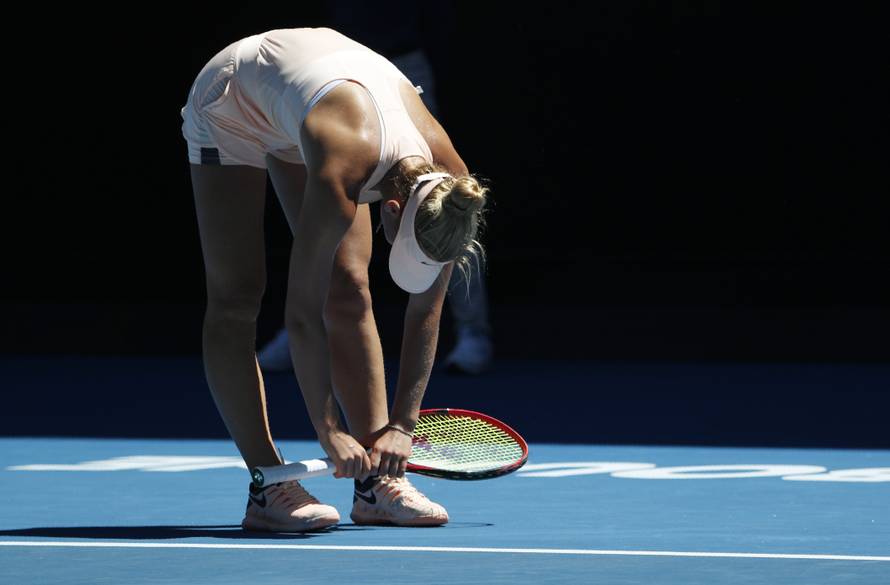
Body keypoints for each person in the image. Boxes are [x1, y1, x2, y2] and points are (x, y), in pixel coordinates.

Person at [181, 27, 488, 532]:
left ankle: (377, 483)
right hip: (236, 97)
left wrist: (403, 425)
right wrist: (328, 431)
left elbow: (426, 309)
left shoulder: (452, 195)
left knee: (349, 286)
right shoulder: (343, 169)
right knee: (237, 295)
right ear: (392, 208)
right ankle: (269, 485)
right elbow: (301, 315)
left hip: (311, 97)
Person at [257, 4, 494, 375]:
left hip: (401, 64)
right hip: (335, 69)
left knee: (445, 205)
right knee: (320, 202)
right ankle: (304, 325)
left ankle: (473, 333)